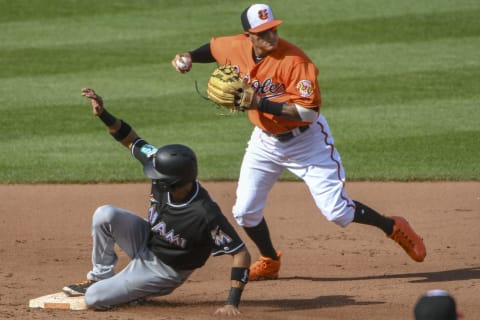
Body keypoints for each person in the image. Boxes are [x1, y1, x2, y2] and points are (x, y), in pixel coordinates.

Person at [171, 3, 426, 281]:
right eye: (263, 33)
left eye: (273, 30)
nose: (271, 36)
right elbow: (213, 48)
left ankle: (391, 226)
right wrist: (189, 57)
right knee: (244, 212)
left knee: (338, 212)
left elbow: (309, 112)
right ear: (249, 36)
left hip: (307, 142)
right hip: (265, 142)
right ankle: (269, 259)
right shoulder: (235, 46)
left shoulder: (295, 61)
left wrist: (259, 103)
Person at [62, 88, 251, 316]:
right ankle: (100, 277)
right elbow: (130, 138)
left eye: (159, 177)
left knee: (94, 299)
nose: (153, 178)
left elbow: (240, 253)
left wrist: (232, 302)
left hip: (166, 270)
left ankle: (134, 293)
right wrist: (103, 114)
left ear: (177, 181)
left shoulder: (204, 213)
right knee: (105, 214)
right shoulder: (161, 163)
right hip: (147, 239)